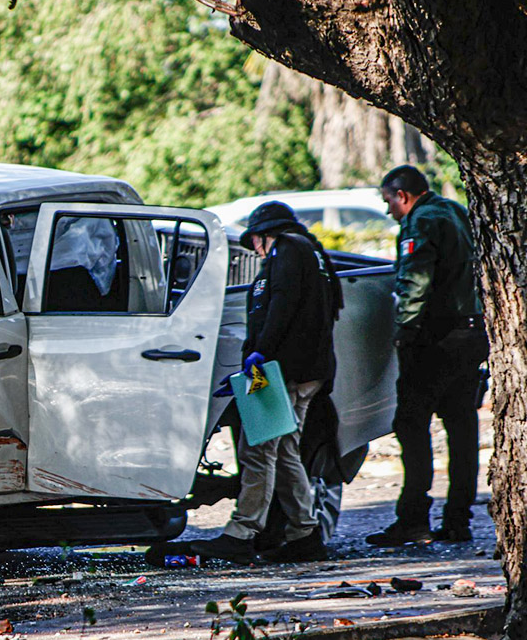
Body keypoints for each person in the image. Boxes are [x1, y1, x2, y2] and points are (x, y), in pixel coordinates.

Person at [193, 201, 343, 565]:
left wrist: (257, 358)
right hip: (305, 370)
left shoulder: (288, 249)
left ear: (264, 236)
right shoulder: (315, 253)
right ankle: (305, 534)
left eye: (256, 244)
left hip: (280, 370)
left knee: (257, 447)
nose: (257, 252)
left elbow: (281, 305)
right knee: (287, 450)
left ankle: (242, 532)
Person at [366, 166, 488, 547]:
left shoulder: (422, 221)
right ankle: (458, 520)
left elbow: (416, 279)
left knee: (411, 424)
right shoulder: (455, 210)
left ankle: (413, 519)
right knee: (462, 427)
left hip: (434, 337)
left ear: (402, 196)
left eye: (388, 201)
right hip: (471, 332)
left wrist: (404, 330)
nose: (389, 211)